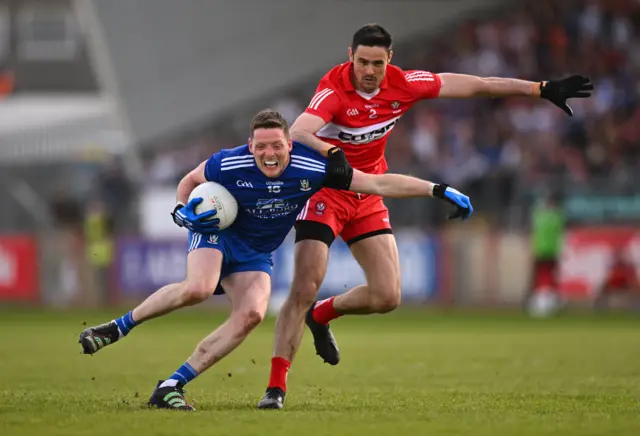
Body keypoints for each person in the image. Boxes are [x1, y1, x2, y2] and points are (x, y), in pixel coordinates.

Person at [261, 23, 594, 409]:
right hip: (326, 193)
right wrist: (330, 151)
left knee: (387, 296)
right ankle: (275, 387)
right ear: (350, 56)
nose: (368, 71)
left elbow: (477, 84)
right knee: (304, 287)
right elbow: (299, 131)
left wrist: (539, 89)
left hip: (369, 192)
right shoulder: (335, 89)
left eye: (376, 63)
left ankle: (321, 315)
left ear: (390, 60)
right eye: (361, 62)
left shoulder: (405, 84)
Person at [78, 109, 473, 411]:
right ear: (250, 146)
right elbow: (188, 182)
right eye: (261, 146)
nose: (269, 153)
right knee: (198, 288)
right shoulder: (226, 163)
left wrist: (437, 189)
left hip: (256, 252)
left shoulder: (311, 169)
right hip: (218, 231)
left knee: (251, 315)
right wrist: (182, 211)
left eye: (276, 146)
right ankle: (118, 327)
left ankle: (170, 387)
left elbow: (378, 183)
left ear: (289, 144)